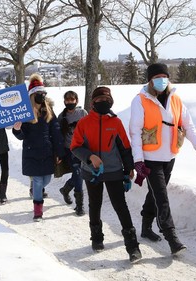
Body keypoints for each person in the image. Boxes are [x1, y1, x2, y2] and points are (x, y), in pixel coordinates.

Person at [129, 63, 196, 255]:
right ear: (150, 80)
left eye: (164, 76)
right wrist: (138, 159)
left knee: (155, 193)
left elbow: (188, 125)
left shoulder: (176, 99)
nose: (161, 80)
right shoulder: (140, 100)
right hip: (150, 157)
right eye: (157, 77)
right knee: (162, 197)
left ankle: (146, 227)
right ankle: (171, 237)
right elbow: (135, 131)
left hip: (169, 156)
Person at [71, 87, 142, 263]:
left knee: (121, 206)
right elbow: (75, 147)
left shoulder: (115, 122)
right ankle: (96, 238)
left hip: (113, 171)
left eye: (107, 100)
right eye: (99, 100)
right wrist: (90, 157)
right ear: (93, 103)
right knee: (95, 204)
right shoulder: (84, 123)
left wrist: (128, 169)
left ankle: (133, 247)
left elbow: (125, 148)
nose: (104, 102)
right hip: (92, 171)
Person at [13, 73, 65, 221]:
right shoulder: (24, 112)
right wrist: (17, 129)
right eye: (38, 94)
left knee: (46, 180)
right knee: (37, 180)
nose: (42, 96)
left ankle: (37, 190)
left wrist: (59, 151)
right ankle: (38, 210)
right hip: (31, 152)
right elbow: (22, 135)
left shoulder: (48, 110)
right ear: (32, 95)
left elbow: (55, 131)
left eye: (43, 93)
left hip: (47, 152)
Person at [57, 90, 88, 216]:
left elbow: (89, 128)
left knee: (78, 174)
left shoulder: (82, 113)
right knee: (78, 174)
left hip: (82, 148)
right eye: (67, 100)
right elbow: (58, 135)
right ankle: (79, 206)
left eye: (72, 100)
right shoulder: (61, 116)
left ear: (76, 101)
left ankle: (66, 189)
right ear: (64, 101)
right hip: (69, 150)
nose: (70, 102)